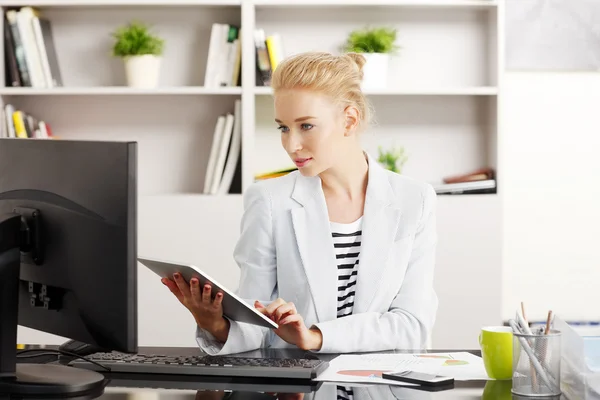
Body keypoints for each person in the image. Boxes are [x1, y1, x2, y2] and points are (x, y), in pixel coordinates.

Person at [162, 51, 438, 356]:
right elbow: (256, 323)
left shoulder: (415, 199)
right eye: (283, 127)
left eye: (306, 126)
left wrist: (316, 337)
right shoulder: (268, 200)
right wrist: (214, 323)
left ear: (349, 120)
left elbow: (413, 324)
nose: (291, 144)